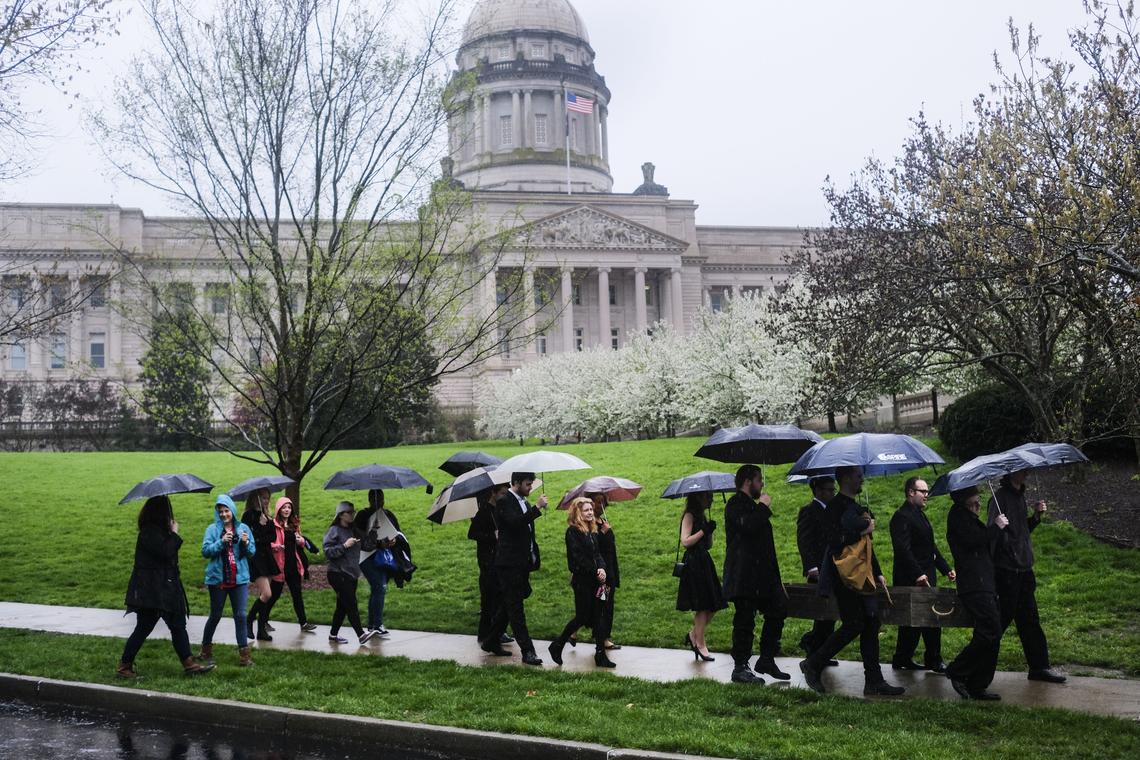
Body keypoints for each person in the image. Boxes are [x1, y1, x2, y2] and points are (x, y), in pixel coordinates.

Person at [799, 465, 905, 696]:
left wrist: (877, 572)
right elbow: (835, 542)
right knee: (855, 623)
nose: (861, 480)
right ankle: (813, 663)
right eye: (858, 476)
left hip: (862, 573)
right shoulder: (834, 508)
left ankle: (874, 680)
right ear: (845, 478)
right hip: (844, 576)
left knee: (871, 621)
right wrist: (862, 530)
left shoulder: (856, 507)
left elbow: (865, 547)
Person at [118, 495, 214, 678]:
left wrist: (171, 533)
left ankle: (189, 663)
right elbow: (165, 551)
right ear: (161, 512)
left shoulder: (158, 531)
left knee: (178, 624)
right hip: (152, 590)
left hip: (165, 588)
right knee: (144, 627)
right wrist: (175, 533)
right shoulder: (149, 532)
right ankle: (124, 666)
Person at [988, 471, 1066, 682]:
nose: (1027, 473)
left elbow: (1021, 533)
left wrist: (1036, 517)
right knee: (999, 623)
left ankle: (1039, 667)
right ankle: (973, 667)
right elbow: (994, 534)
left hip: (1024, 570)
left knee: (1030, 620)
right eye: (1022, 470)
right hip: (1007, 572)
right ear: (1012, 472)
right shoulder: (1000, 498)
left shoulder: (1019, 497)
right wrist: (1009, 551)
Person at [721, 464, 788, 684]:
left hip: (762, 576)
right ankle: (740, 666)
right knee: (744, 620)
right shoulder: (735, 504)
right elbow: (747, 526)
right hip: (744, 575)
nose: (762, 484)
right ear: (748, 481)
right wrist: (763, 507)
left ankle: (766, 659)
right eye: (759, 480)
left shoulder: (750, 505)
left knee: (778, 609)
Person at [946, 486, 1009, 700]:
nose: (979, 502)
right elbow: (973, 541)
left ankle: (978, 684)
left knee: (993, 632)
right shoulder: (957, 517)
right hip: (975, 585)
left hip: (985, 583)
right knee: (989, 631)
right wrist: (996, 528)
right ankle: (958, 670)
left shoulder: (969, 518)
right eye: (975, 497)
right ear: (964, 498)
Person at [890, 477, 955, 672]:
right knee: (922, 619)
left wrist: (945, 568)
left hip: (925, 575)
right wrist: (918, 574)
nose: (927, 495)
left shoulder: (919, 514)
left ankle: (903, 658)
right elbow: (902, 549)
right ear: (911, 492)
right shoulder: (901, 516)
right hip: (912, 578)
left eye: (927, 491)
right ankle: (931, 659)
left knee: (925, 619)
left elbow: (930, 546)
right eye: (923, 491)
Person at [482, 472, 547, 665]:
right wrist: (536, 508)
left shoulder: (524, 503)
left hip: (522, 563)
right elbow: (514, 523)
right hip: (508, 564)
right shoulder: (505, 501)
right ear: (516, 483)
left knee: (509, 604)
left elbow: (526, 531)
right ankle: (528, 651)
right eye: (528, 484)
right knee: (516, 608)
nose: (530, 488)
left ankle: (491, 640)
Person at [548, 497, 615, 668]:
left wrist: (602, 569)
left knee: (600, 616)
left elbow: (597, 554)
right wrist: (595, 571)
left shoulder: (592, 530)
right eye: (586, 510)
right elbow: (577, 559)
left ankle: (600, 655)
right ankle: (558, 644)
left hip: (598, 581)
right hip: (583, 582)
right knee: (582, 617)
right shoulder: (573, 532)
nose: (590, 513)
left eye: (591, 510)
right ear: (577, 512)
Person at [198, 494, 257, 666]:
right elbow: (205, 551)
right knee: (215, 615)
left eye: (226, 511)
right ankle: (205, 651)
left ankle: (245, 656)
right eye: (220, 511)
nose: (224, 514)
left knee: (240, 615)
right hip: (218, 579)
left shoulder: (243, 528)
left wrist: (246, 544)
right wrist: (221, 542)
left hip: (239, 579)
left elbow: (252, 553)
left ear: (232, 510)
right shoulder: (212, 529)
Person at [675, 491, 727, 661]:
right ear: (699, 497)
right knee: (703, 605)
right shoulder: (689, 515)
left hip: (705, 561)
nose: (711, 499)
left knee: (714, 604)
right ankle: (700, 643)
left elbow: (708, 545)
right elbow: (685, 541)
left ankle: (693, 635)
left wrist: (709, 531)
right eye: (708, 496)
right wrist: (703, 531)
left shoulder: (703, 516)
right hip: (694, 563)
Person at [795, 475, 840, 664]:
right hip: (819, 570)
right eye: (830, 490)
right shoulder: (809, 511)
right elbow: (804, 541)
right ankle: (813, 646)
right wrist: (811, 567)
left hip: (831, 568)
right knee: (823, 614)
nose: (832, 493)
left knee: (829, 615)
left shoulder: (832, 511)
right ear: (819, 491)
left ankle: (819, 650)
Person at [323, 501, 377, 645]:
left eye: (353, 512)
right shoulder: (334, 530)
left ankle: (333, 635)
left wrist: (373, 532)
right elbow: (328, 552)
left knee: (342, 606)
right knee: (351, 604)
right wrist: (344, 546)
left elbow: (368, 546)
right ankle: (361, 635)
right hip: (337, 573)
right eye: (349, 512)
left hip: (352, 574)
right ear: (341, 515)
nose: (352, 514)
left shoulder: (355, 530)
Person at [265, 496, 317, 634]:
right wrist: (277, 547)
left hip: (293, 565)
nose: (287, 510)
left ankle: (303, 623)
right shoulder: (273, 525)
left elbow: (299, 542)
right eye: (284, 507)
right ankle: (263, 621)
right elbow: (267, 544)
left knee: (297, 594)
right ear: (279, 509)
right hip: (279, 565)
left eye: (289, 507)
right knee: (273, 595)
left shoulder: (294, 524)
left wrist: (300, 540)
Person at [468, 483, 511, 645]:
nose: (503, 497)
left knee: (499, 598)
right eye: (501, 493)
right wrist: (492, 536)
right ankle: (488, 633)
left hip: (499, 559)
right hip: (488, 561)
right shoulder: (484, 512)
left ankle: (496, 632)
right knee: (489, 599)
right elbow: (472, 534)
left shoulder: (500, 510)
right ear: (493, 493)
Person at [354, 489, 400, 636]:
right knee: (379, 586)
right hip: (367, 557)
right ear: (369, 499)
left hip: (384, 556)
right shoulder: (362, 515)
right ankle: (377, 624)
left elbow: (397, 532)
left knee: (378, 589)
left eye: (380, 498)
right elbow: (359, 537)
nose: (378, 501)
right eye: (374, 498)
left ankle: (372, 624)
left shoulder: (388, 514)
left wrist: (394, 540)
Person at [243, 489, 279, 642]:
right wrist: (260, 525)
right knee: (267, 594)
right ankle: (249, 619)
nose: (265, 501)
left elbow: (273, 536)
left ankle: (261, 630)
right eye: (262, 498)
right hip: (256, 558)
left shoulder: (267, 515)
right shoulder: (249, 516)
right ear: (254, 498)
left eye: (267, 498)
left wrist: (264, 525)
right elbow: (251, 538)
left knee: (265, 597)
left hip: (267, 558)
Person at [592, 493, 621, 651]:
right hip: (601, 571)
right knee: (604, 605)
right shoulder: (590, 524)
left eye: (603, 501)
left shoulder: (603, 521)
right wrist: (603, 532)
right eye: (598, 502)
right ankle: (603, 638)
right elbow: (593, 546)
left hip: (610, 569)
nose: (601, 505)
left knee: (607, 604)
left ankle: (602, 636)